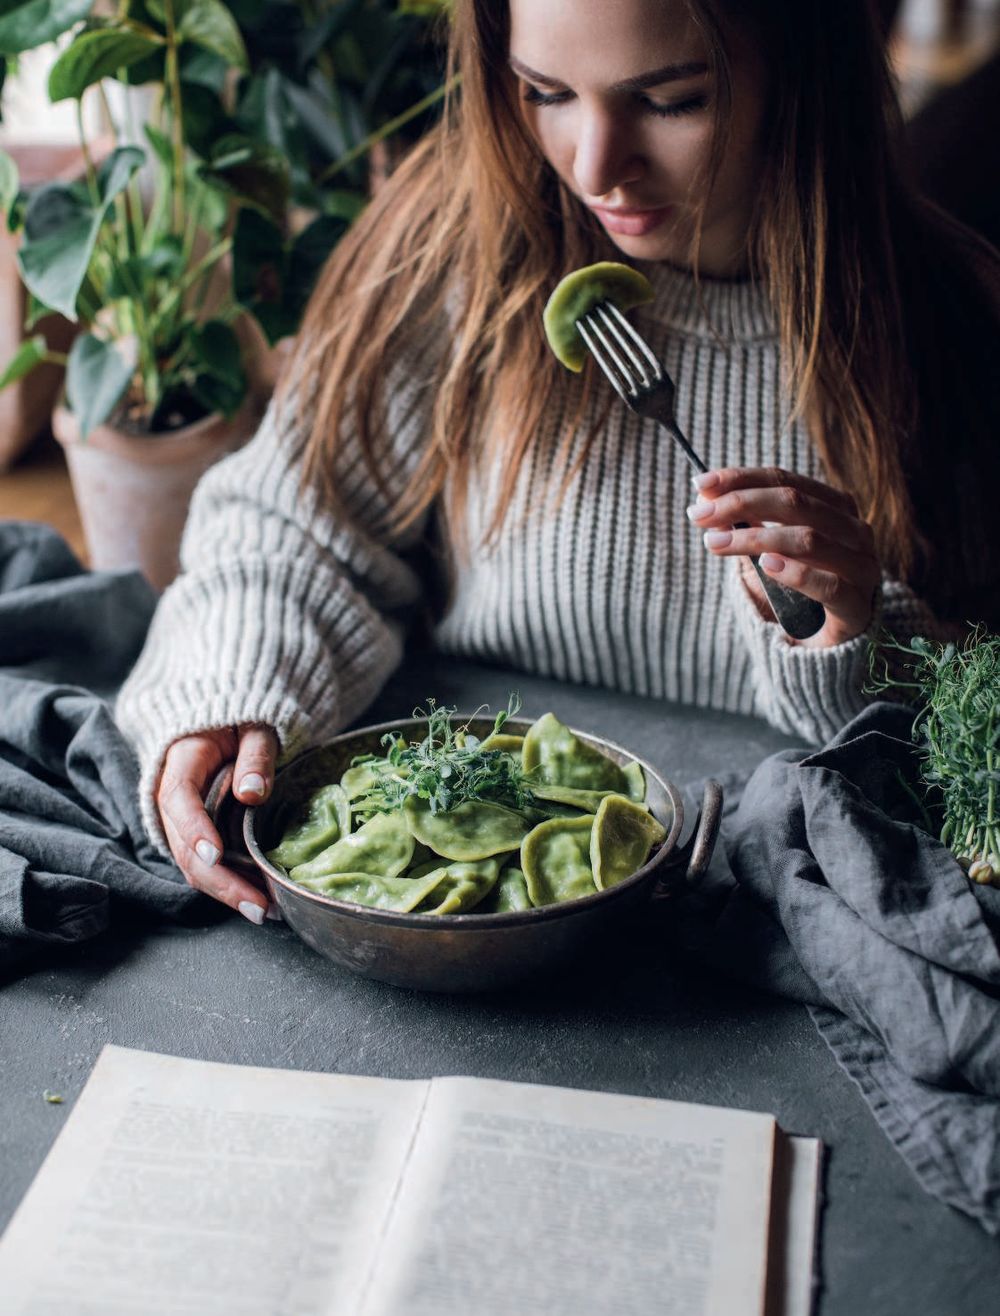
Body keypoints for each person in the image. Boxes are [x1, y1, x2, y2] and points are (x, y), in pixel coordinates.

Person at [116, 0, 1000, 922]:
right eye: (545, 92)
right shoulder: (451, 252)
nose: (593, 165)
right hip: (454, 908)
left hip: (752, 915)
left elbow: (964, 744)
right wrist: (236, 691)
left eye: (672, 102)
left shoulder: (947, 328)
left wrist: (845, 636)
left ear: (807, 79)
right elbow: (297, 529)